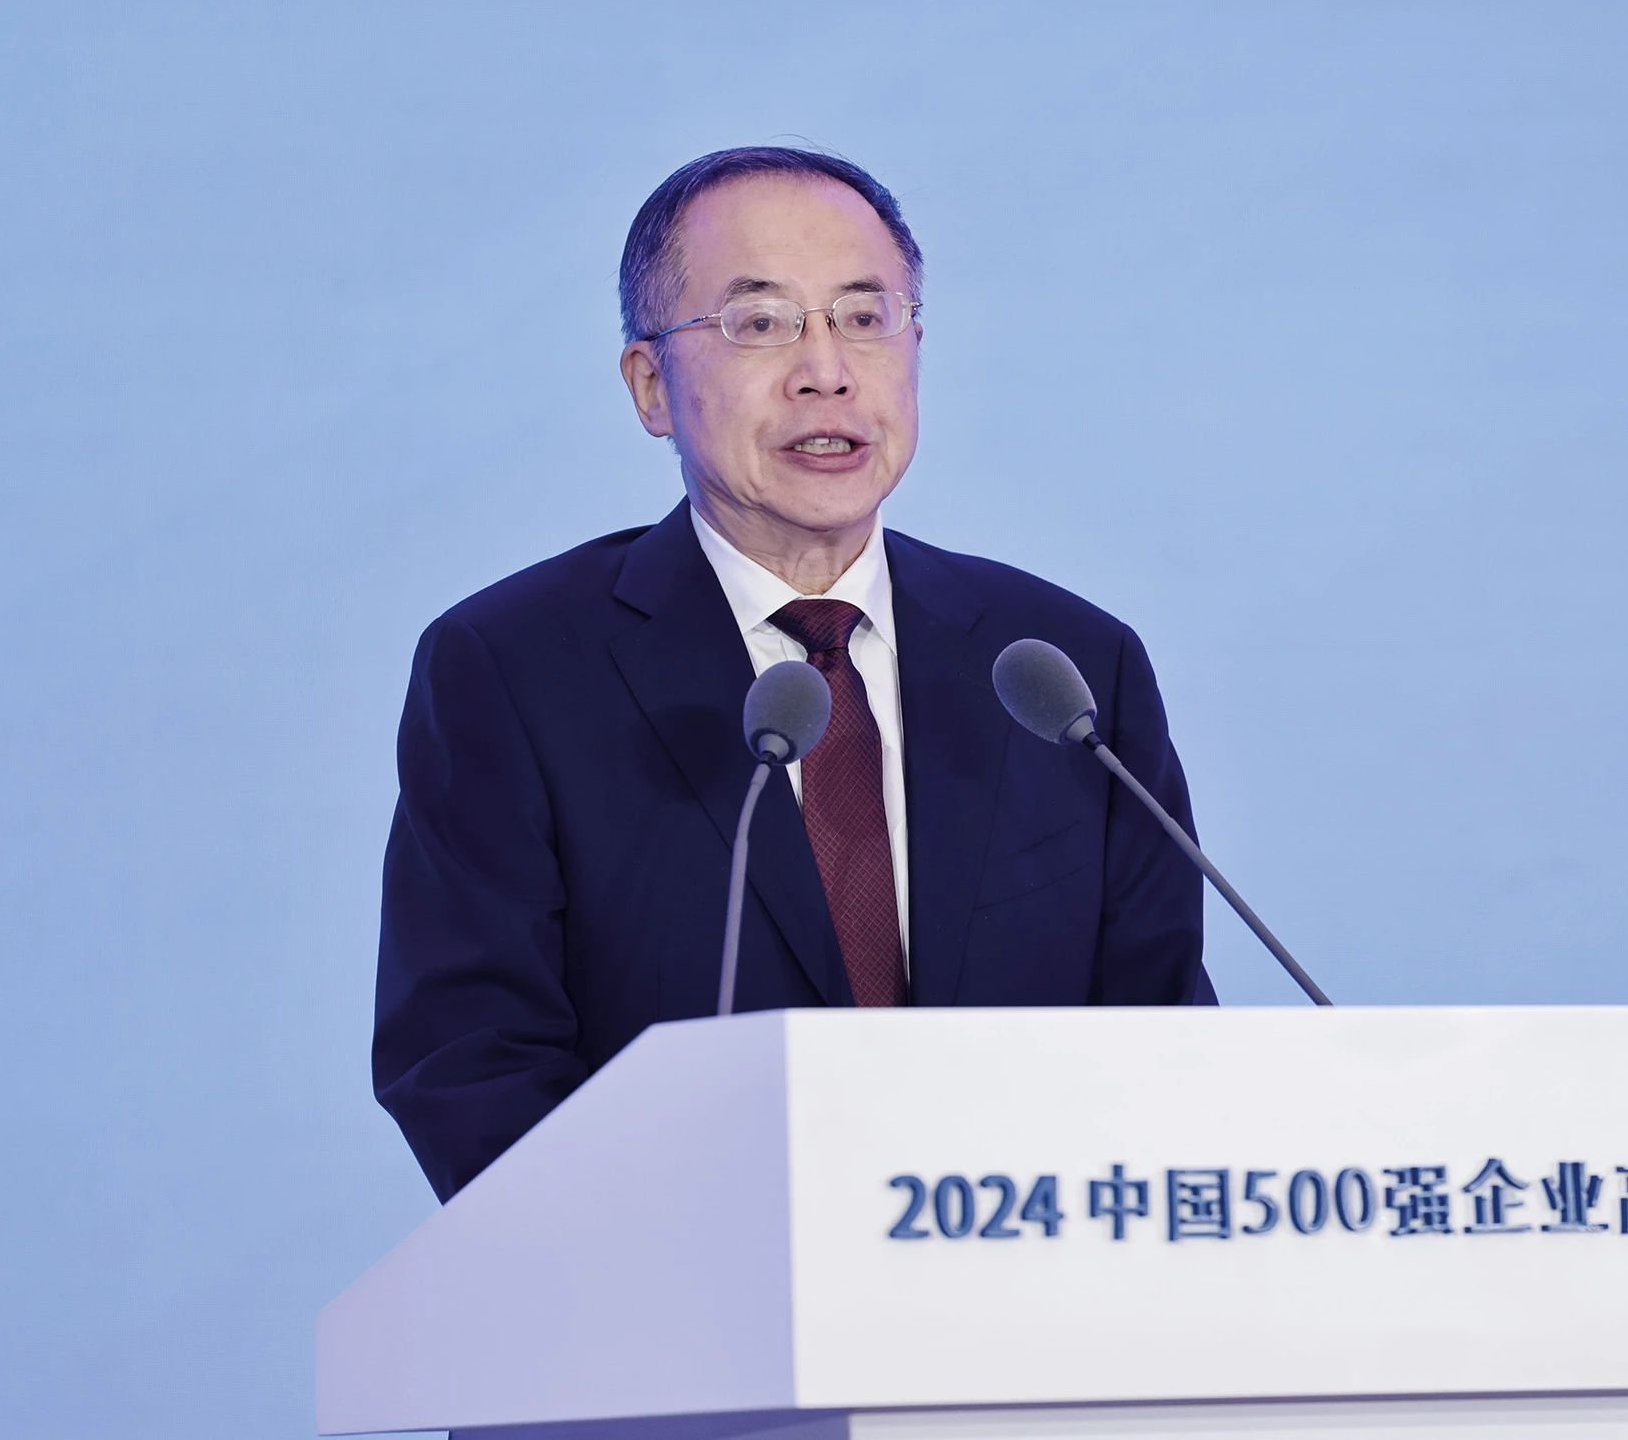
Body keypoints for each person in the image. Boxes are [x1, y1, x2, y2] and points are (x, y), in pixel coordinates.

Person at [374, 147, 1215, 1203]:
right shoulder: (515, 671)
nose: (827, 370)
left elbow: (1167, 1045)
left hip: (1031, 1283)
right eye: (760, 322)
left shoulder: (1066, 670)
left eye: (865, 317)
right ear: (651, 387)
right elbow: (469, 1062)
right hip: (684, 1288)